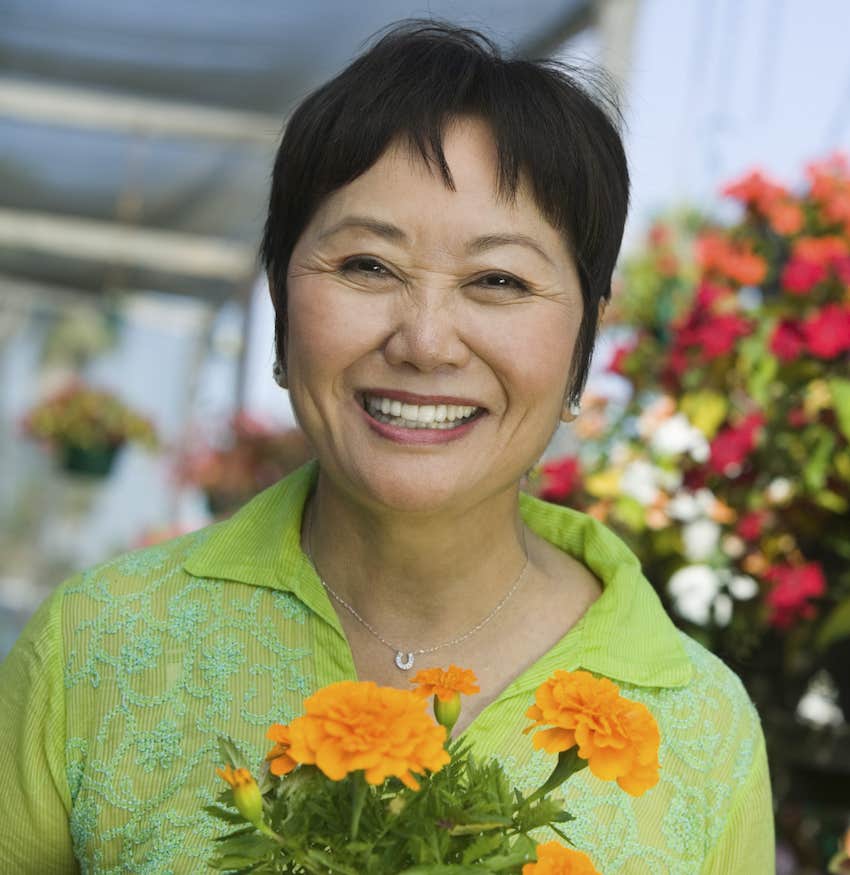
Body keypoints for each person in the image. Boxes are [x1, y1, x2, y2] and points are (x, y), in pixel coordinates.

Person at [0, 21, 774, 874]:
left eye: (499, 281)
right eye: (369, 266)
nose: (426, 340)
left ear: (584, 342)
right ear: (281, 306)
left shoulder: (703, 726)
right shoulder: (94, 646)